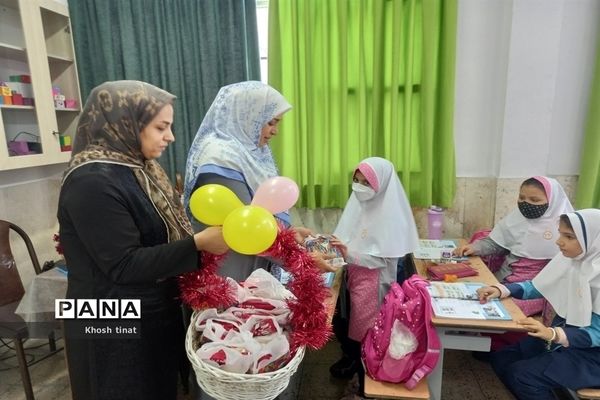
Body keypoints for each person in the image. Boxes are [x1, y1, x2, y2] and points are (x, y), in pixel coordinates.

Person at [58, 81, 229, 400]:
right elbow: (123, 265)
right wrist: (198, 243)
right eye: (161, 127)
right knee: (118, 387)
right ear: (125, 124)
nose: (170, 137)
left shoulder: (136, 169)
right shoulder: (92, 181)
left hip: (144, 308)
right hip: (107, 316)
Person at [183, 81, 332, 280]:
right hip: (230, 267)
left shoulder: (253, 151)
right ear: (246, 117)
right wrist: (302, 261)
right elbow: (248, 226)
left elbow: (260, 211)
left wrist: (290, 233)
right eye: (270, 122)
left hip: (257, 257)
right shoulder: (221, 157)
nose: (275, 131)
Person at [477, 209, 600, 400]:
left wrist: (553, 334)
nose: (559, 241)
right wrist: (502, 290)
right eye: (560, 233)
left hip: (592, 356)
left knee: (522, 376)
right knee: (502, 358)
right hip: (563, 337)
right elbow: (539, 286)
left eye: (569, 236)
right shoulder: (574, 261)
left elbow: (597, 334)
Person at [328, 157, 419, 382]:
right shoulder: (361, 206)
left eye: (366, 183)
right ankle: (356, 367)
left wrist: (348, 252)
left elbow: (383, 260)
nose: (359, 187)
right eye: (356, 181)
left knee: (370, 335)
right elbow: (351, 237)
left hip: (374, 284)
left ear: (382, 185)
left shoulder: (392, 217)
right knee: (350, 326)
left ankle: (366, 383)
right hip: (355, 278)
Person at [455, 176, 573, 317]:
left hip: (535, 290)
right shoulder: (516, 218)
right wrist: (475, 248)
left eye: (535, 200)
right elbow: (496, 243)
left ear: (553, 201)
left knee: (495, 309)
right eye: (522, 198)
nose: (526, 203)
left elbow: (557, 276)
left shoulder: (566, 231)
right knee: (466, 294)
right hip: (505, 277)